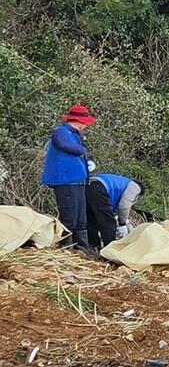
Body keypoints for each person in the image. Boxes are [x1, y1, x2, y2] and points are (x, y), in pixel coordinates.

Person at [43, 105, 96, 257]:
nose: (86, 126)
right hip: (66, 180)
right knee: (69, 217)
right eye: (85, 122)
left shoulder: (75, 135)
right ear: (80, 121)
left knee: (80, 217)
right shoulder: (61, 132)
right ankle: (66, 250)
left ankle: (83, 249)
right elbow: (65, 145)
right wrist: (82, 150)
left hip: (78, 180)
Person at [87, 173, 142, 250]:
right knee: (108, 221)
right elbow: (124, 206)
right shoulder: (135, 187)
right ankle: (109, 249)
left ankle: (94, 247)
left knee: (92, 220)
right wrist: (122, 224)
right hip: (98, 187)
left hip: (87, 185)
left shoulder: (122, 182)